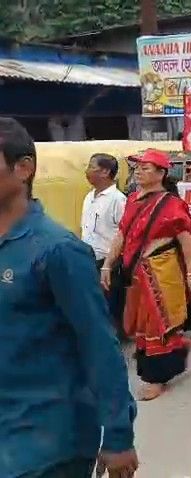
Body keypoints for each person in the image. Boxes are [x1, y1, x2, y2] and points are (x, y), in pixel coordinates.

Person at [0, 118, 139, 478]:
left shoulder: (57, 250)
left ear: (23, 168)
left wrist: (118, 434)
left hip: (47, 440)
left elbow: (99, 344)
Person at [100, 149, 191, 402]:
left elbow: (185, 238)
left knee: (160, 322)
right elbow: (122, 235)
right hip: (135, 272)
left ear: (161, 173)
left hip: (160, 270)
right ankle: (167, 361)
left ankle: (158, 378)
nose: (139, 172)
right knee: (142, 324)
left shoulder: (172, 204)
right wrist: (107, 264)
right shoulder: (133, 199)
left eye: (145, 168)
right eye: (137, 168)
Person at [82, 153, 127, 337]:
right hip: (89, 258)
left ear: (105, 171)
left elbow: (124, 233)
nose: (87, 171)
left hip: (108, 261)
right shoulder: (89, 197)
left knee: (109, 304)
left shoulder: (118, 199)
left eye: (92, 167)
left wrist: (110, 262)